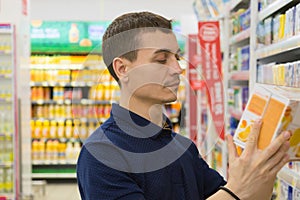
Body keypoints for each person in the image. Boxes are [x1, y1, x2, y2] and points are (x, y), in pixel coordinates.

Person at [77, 11, 291, 200]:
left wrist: (264, 169)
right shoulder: (101, 154)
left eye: (176, 57)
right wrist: (236, 189)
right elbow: (234, 195)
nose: (178, 69)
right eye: (161, 59)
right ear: (123, 69)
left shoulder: (183, 147)